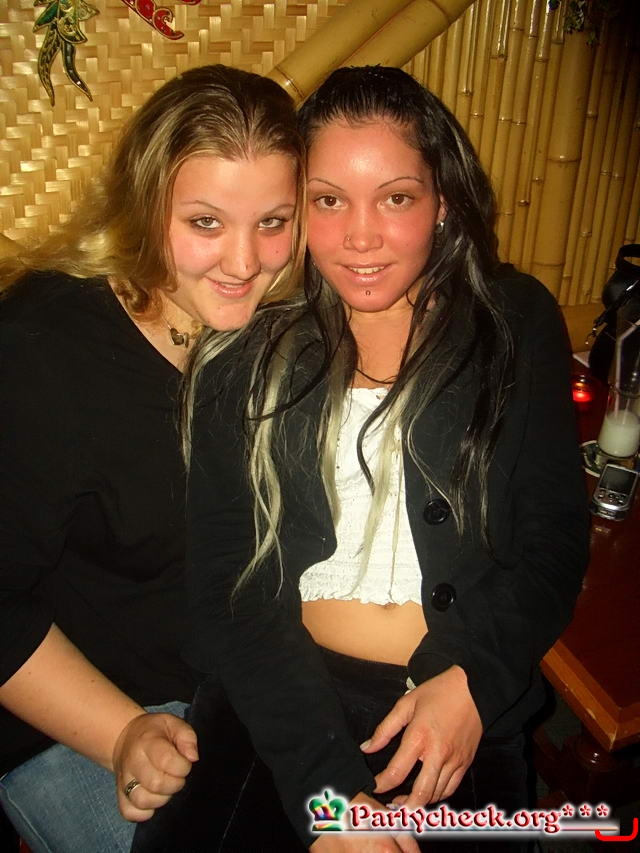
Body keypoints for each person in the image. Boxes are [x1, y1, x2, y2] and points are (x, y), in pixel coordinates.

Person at [126, 66, 590, 852]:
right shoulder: (245, 352)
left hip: (456, 701)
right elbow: (228, 589)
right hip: (280, 700)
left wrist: (473, 681)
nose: (361, 236)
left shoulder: (514, 323)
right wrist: (330, 793)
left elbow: (553, 538)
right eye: (329, 200)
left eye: (396, 198)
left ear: (443, 201)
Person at [0, 63, 305, 853]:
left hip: (239, 682)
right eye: (205, 222)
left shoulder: (275, 327)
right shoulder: (43, 351)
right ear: (144, 205)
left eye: (274, 221)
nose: (245, 262)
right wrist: (123, 732)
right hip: (78, 719)